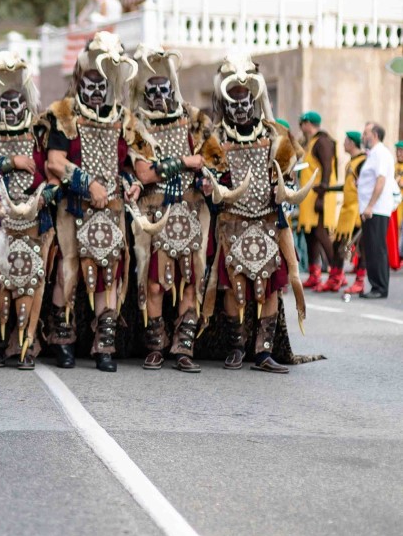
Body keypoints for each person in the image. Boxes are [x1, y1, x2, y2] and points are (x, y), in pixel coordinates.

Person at [44, 32, 148, 373]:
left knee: (109, 274)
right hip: (74, 207)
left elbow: (130, 164)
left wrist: (132, 184)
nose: (96, 88)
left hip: (112, 210)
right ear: (80, 78)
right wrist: (87, 183)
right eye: (90, 80)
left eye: (102, 81)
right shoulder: (64, 114)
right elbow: (54, 162)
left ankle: (105, 343)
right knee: (68, 270)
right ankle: (62, 339)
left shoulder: (124, 119)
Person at [199, 55, 308, 373]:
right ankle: (237, 347)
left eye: (245, 100)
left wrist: (284, 189)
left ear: (254, 99)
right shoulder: (216, 138)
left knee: (271, 286)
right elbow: (209, 180)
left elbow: (290, 177)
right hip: (231, 224)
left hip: (268, 223)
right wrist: (210, 188)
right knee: (233, 288)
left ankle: (263, 351)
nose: (240, 108)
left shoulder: (276, 134)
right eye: (233, 101)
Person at [128, 44, 213, 374]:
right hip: (156, 214)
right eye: (152, 90)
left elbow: (211, 159)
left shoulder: (195, 119)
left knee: (191, 280)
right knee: (154, 284)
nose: (159, 96)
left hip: (192, 212)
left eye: (164, 88)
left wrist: (206, 176)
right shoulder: (138, 125)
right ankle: (155, 346)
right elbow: (144, 173)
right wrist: (184, 162)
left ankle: (184, 347)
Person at [0, 50, 51, 370]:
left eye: (15, 102)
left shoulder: (41, 129)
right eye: (3, 103)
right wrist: (11, 162)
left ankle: (25, 342)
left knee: (30, 277)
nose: (10, 109)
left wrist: (46, 194)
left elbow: (53, 169)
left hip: (34, 216)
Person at [296, 112, 340, 292]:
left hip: (319, 196)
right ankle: (314, 274)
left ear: (308, 123)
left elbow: (327, 168)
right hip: (309, 197)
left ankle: (336, 274)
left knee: (321, 234)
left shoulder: (322, 141)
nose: (301, 127)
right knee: (311, 235)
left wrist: (322, 194)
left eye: (302, 123)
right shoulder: (311, 142)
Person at [356, 122, 395, 299]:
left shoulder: (381, 153)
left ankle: (380, 287)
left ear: (375, 135)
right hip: (370, 209)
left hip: (376, 209)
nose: (363, 137)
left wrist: (370, 205)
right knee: (371, 248)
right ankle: (376, 286)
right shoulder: (373, 153)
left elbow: (381, 180)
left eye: (366, 133)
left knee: (376, 248)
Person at [333, 131, 366, 294]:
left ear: (352, 143)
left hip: (357, 211)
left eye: (346, 141)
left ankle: (360, 281)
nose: (344, 143)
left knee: (360, 247)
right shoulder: (351, 162)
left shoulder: (363, 162)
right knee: (338, 244)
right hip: (347, 210)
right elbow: (348, 187)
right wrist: (328, 189)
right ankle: (336, 277)